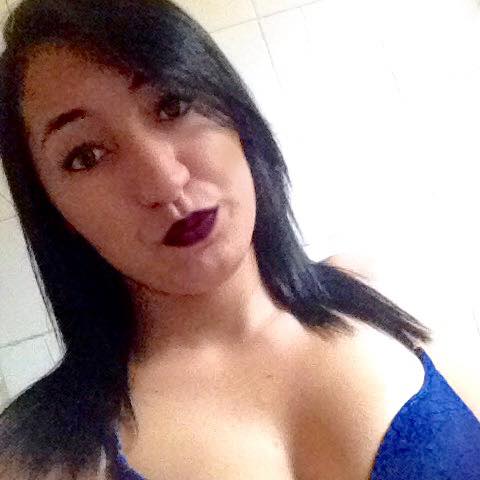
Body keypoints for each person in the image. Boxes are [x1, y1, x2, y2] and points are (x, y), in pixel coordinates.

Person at [0, 1, 478, 479]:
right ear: (54, 209)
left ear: (235, 115)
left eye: (173, 105)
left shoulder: (384, 295)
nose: (165, 182)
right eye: (86, 155)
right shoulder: (34, 460)